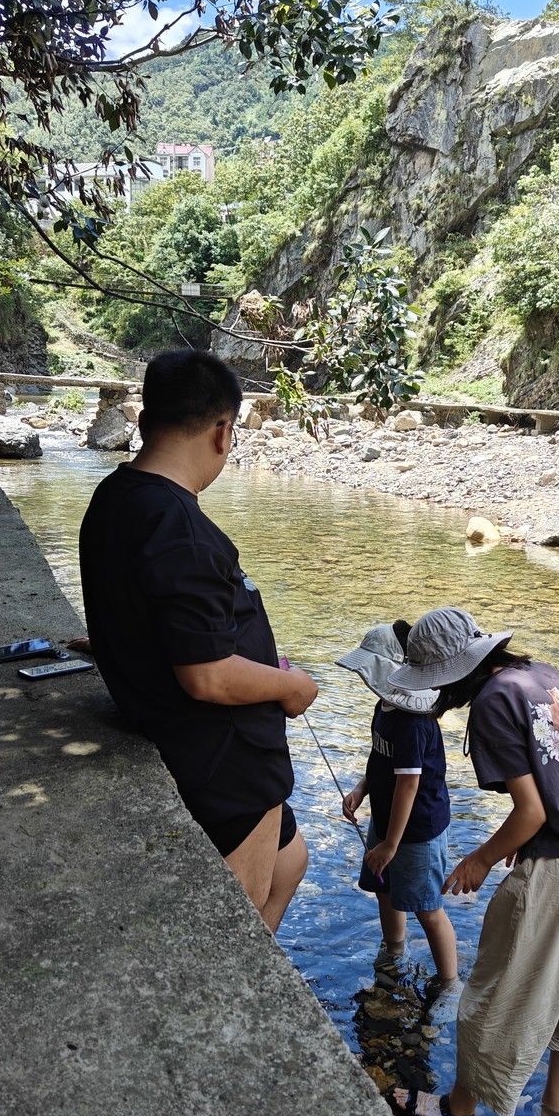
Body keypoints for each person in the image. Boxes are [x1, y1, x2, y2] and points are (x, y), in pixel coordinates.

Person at [78, 348, 318, 933]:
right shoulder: (181, 528)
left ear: (143, 420)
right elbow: (206, 675)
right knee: (235, 920)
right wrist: (292, 685)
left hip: (182, 729)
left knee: (292, 862)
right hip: (222, 757)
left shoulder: (115, 498)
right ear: (222, 430)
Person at [388, 607, 559, 1116]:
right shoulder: (542, 676)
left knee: (500, 997)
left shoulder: (494, 702)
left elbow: (533, 813)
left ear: (452, 674)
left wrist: (479, 858)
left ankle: (457, 1111)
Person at [336, 622, 457, 985]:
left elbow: (408, 784)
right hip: (387, 821)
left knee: (427, 908)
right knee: (384, 889)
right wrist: (361, 790)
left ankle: (449, 981)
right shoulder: (385, 706)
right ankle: (393, 949)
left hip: (417, 831)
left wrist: (391, 844)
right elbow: (380, 761)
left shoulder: (412, 721)